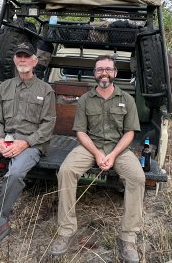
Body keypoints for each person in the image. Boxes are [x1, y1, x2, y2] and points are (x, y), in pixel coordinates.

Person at [50, 55, 145, 263]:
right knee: (66, 171)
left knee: (137, 177)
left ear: (115, 73)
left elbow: (130, 133)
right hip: (89, 146)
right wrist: (97, 153)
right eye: (100, 69)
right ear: (94, 74)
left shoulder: (126, 99)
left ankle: (127, 238)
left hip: (117, 149)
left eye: (108, 69)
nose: (104, 73)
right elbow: (80, 132)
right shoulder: (85, 99)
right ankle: (66, 232)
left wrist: (111, 155)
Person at [0, 42, 56, 256]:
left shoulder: (46, 90)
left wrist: (24, 143)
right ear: (15, 60)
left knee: (15, 173)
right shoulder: (4, 87)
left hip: (32, 143)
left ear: (35, 61)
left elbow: (47, 125)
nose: (23, 60)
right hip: (4, 139)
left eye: (27, 56)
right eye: (19, 56)